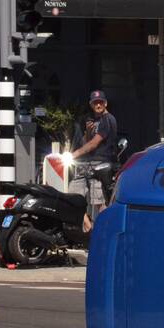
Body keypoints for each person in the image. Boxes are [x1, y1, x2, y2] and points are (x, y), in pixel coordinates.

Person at [69, 90, 118, 232]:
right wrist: (88, 132)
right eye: (95, 103)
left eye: (100, 102)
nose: (98, 105)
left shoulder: (108, 119)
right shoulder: (91, 120)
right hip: (85, 163)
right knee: (72, 197)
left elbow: (94, 144)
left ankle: (105, 231)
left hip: (100, 164)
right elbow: (86, 142)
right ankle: (90, 229)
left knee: (99, 202)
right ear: (91, 105)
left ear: (105, 103)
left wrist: (72, 155)